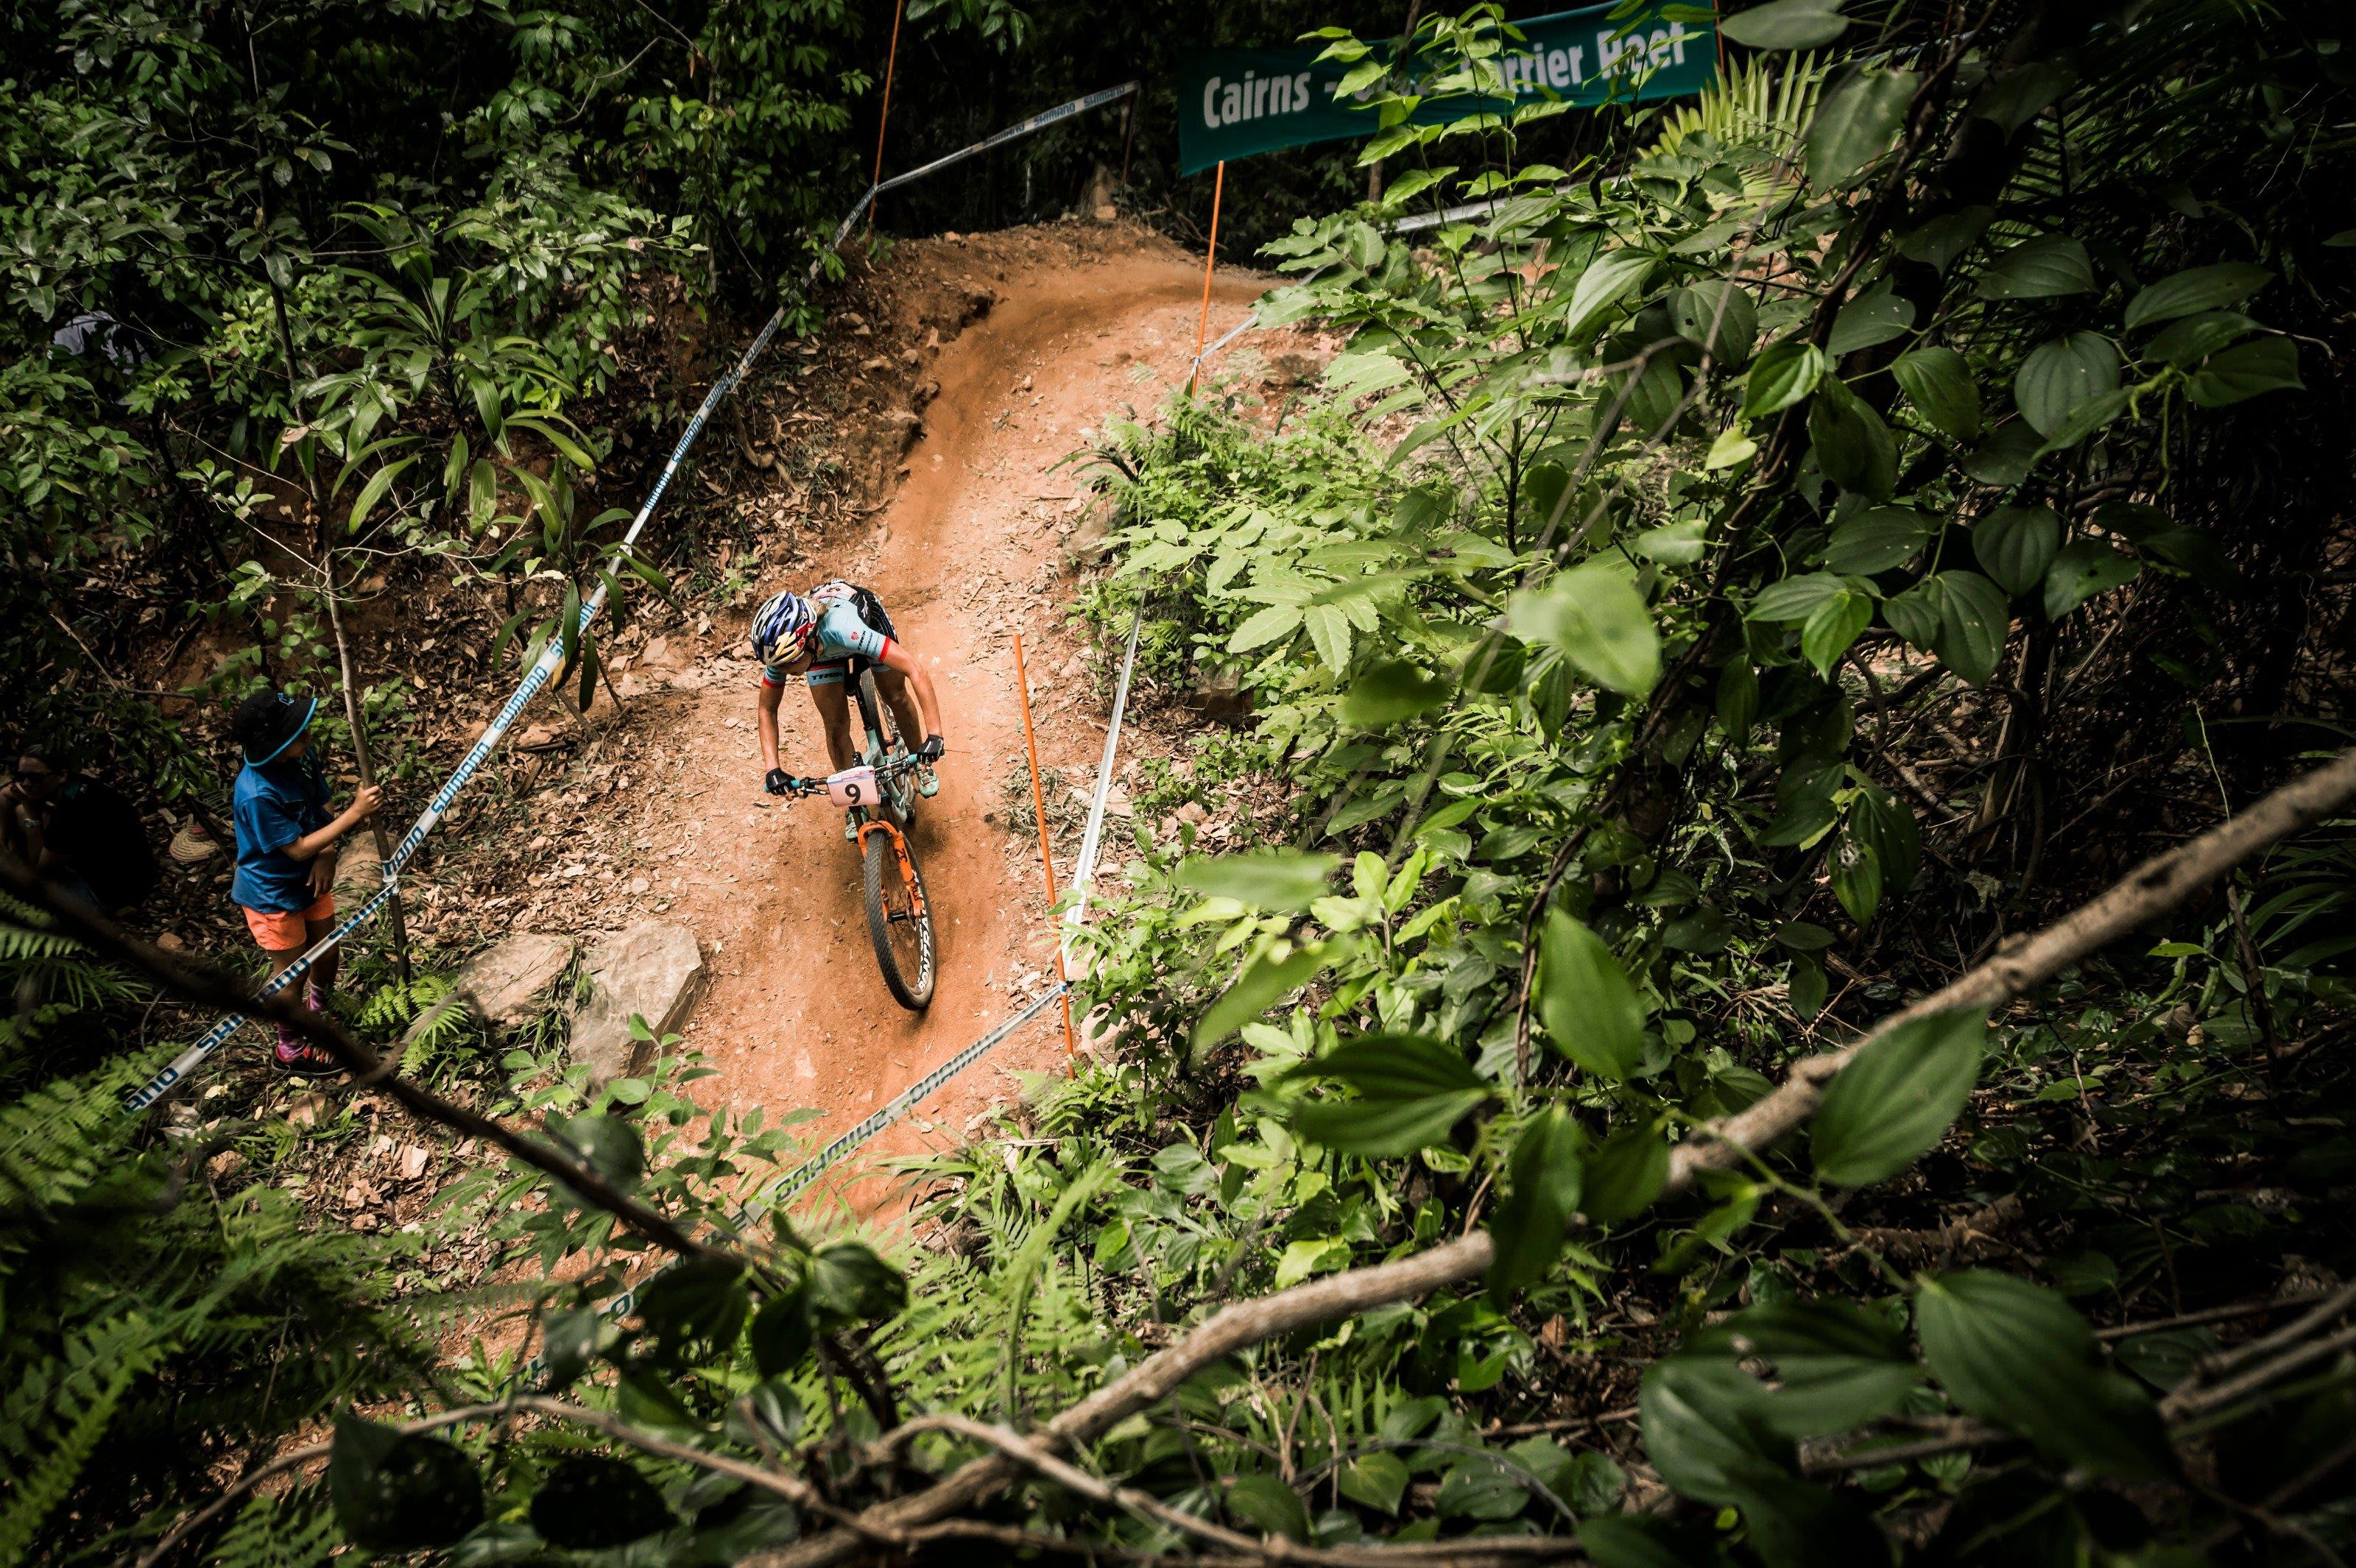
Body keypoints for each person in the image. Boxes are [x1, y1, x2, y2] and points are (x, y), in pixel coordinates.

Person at [228, 688, 382, 1076]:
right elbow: (295, 850)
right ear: (276, 746)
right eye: (297, 732)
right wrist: (356, 814)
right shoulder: (257, 794)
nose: (308, 734)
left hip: (313, 878)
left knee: (328, 953)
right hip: (272, 894)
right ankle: (290, 1049)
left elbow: (321, 800)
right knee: (292, 972)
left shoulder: (303, 758)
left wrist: (328, 854)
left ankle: (314, 1016)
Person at [750, 581, 947, 817]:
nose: (783, 670)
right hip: (822, 654)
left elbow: (916, 670)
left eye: (789, 662)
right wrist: (773, 768)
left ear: (809, 641)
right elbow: (767, 709)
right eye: (778, 665)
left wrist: (935, 736)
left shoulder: (843, 629)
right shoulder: (781, 654)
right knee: (835, 725)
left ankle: (920, 765)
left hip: (865, 623)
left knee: (894, 695)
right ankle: (855, 804)